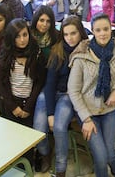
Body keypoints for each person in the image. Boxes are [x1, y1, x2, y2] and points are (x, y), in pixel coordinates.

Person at [68, 13, 115, 177]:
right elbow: (73, 91)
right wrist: (86, 119)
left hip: (109, 109)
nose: (102, 33)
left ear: (111, 29)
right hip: (88, 112)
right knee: (101, 158)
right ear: (92, 32)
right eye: (98, 30)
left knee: (109, 153)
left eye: (106, 29)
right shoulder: (81, 55)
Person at [33, 16, 88, 175]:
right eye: (65, 34)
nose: (69, 38)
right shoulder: (58, 50)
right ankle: (44, 153)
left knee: (58, 127)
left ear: (80, 33)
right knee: (39, 127)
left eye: (73, 33)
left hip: (68, 95)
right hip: (50, 92)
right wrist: (50, 113)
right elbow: (50, 84)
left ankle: (60, 168)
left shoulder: (87, 49)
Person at [0, 18, 47, 166]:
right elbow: (1, 82)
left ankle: (29, 165)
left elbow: (39, 82)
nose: (22, 40)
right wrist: (13, 106)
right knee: (13, 140)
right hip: (12, 102)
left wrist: (27, 107)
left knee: (28, 141)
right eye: (17, 36)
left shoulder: (36, 53)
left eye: (25, 35)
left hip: (29, 102)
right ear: (11, 38)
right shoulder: (6, 54)